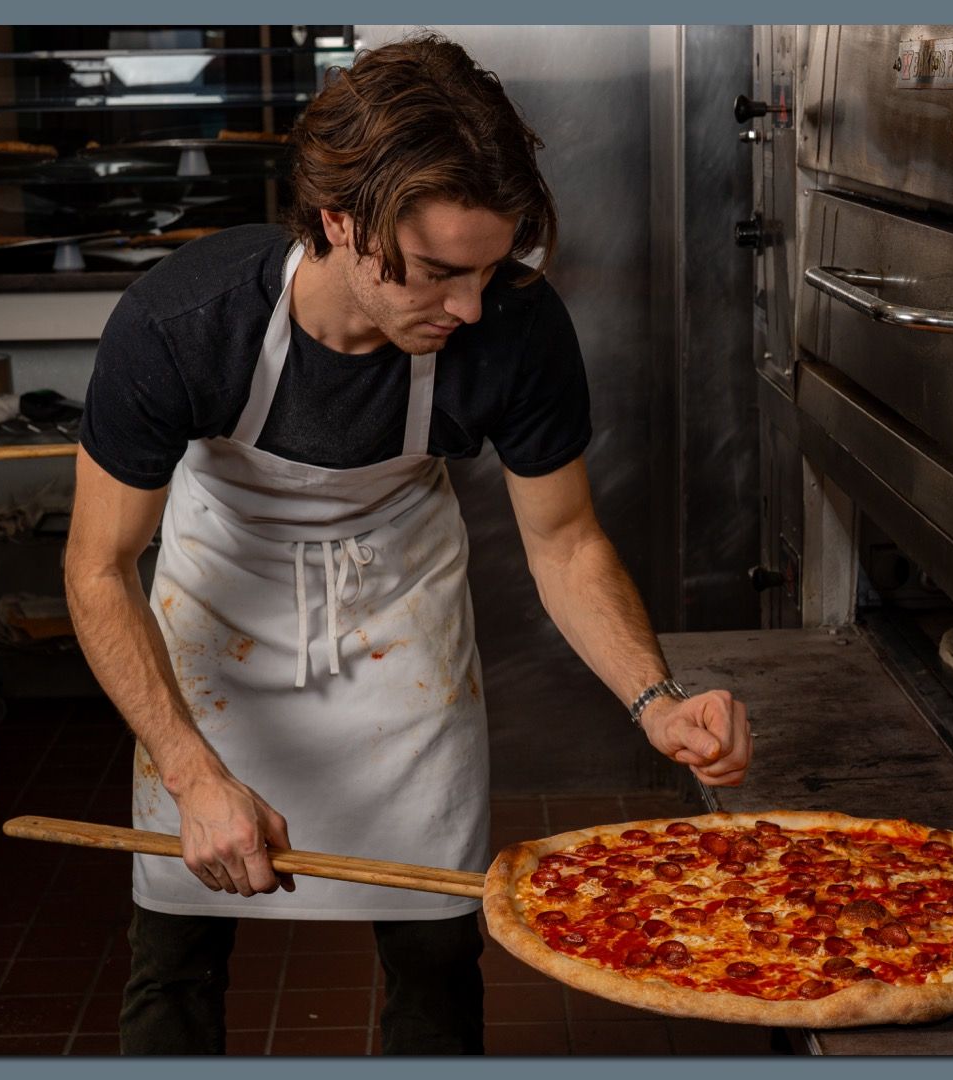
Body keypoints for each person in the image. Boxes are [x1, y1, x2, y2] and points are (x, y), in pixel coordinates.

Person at [65, 33, 752, 1056]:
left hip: (400, 626)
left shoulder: (511, 326)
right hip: (215, 640)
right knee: (177, 957)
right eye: (436, 272)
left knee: (438, 954)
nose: (469, 306)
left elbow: (564, 543)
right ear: (340, 220)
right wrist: (193, 775)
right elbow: (99, 567)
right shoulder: (182, 324)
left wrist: (654, 701)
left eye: (490, 268)